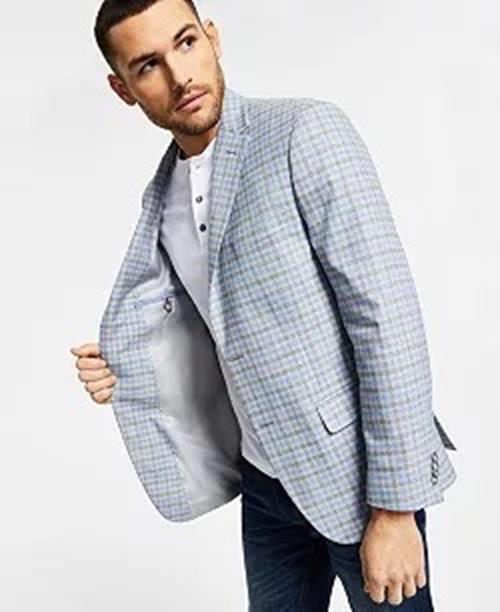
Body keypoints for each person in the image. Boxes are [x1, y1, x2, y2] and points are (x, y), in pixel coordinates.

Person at [70, 1, 458, 609]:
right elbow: (215, 326)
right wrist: (125, 365)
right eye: (148, 65)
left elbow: (387, 318)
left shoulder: (304, 132)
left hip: (358, 481)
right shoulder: (163, 196)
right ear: (124, 89)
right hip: (266, 487)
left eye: (186, 43)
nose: (180, 75)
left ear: (213, 38)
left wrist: (396, 507)